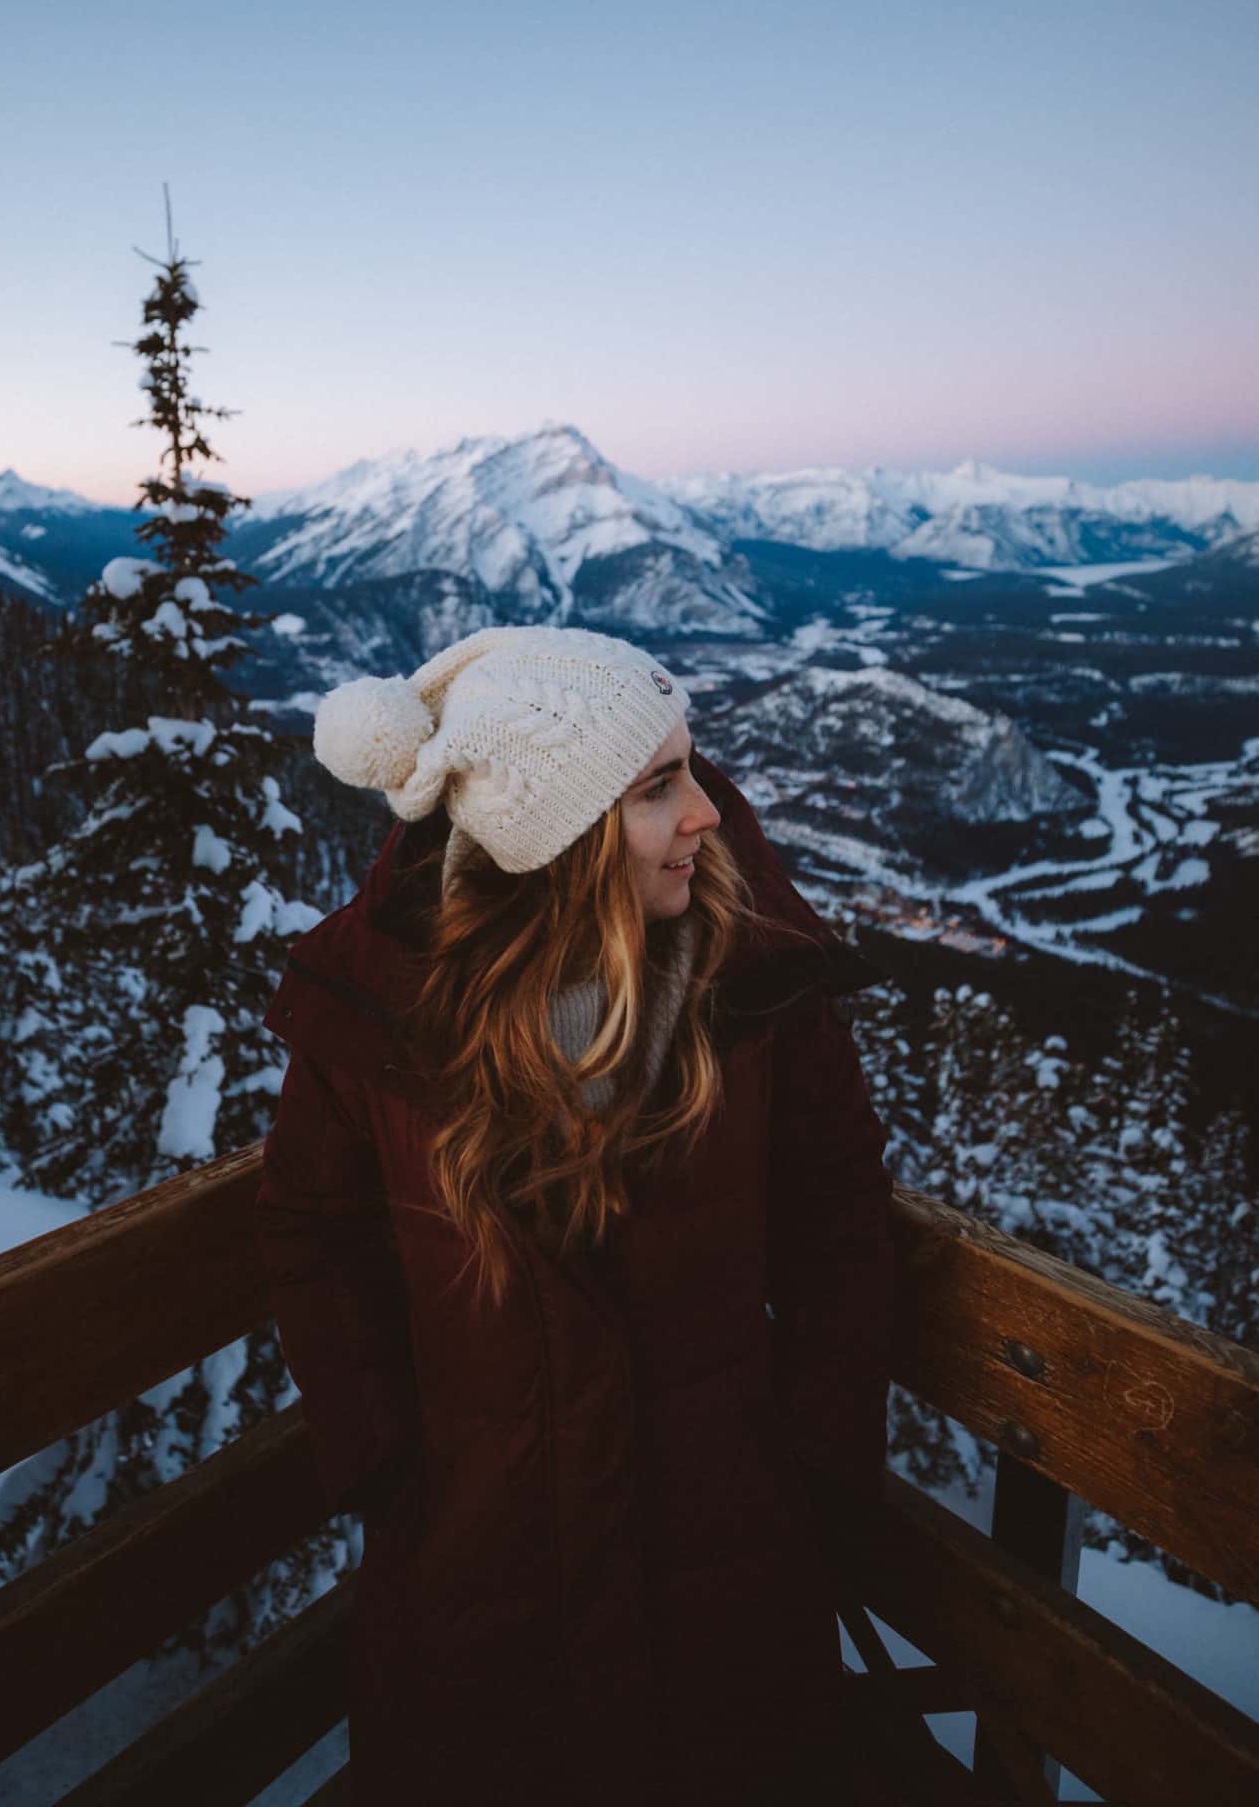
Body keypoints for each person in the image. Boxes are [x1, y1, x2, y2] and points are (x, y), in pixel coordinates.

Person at [254, 624, 898, 1806]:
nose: (708, 813)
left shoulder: (754, 980)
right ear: (556, 835)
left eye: (691, 768)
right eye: (660, 787)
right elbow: (314, 1232)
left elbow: (841, 1218)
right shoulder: (381, 1006)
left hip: (729, 1565)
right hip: (480, 1570)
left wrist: (811, 1455)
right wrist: (393, 1466)